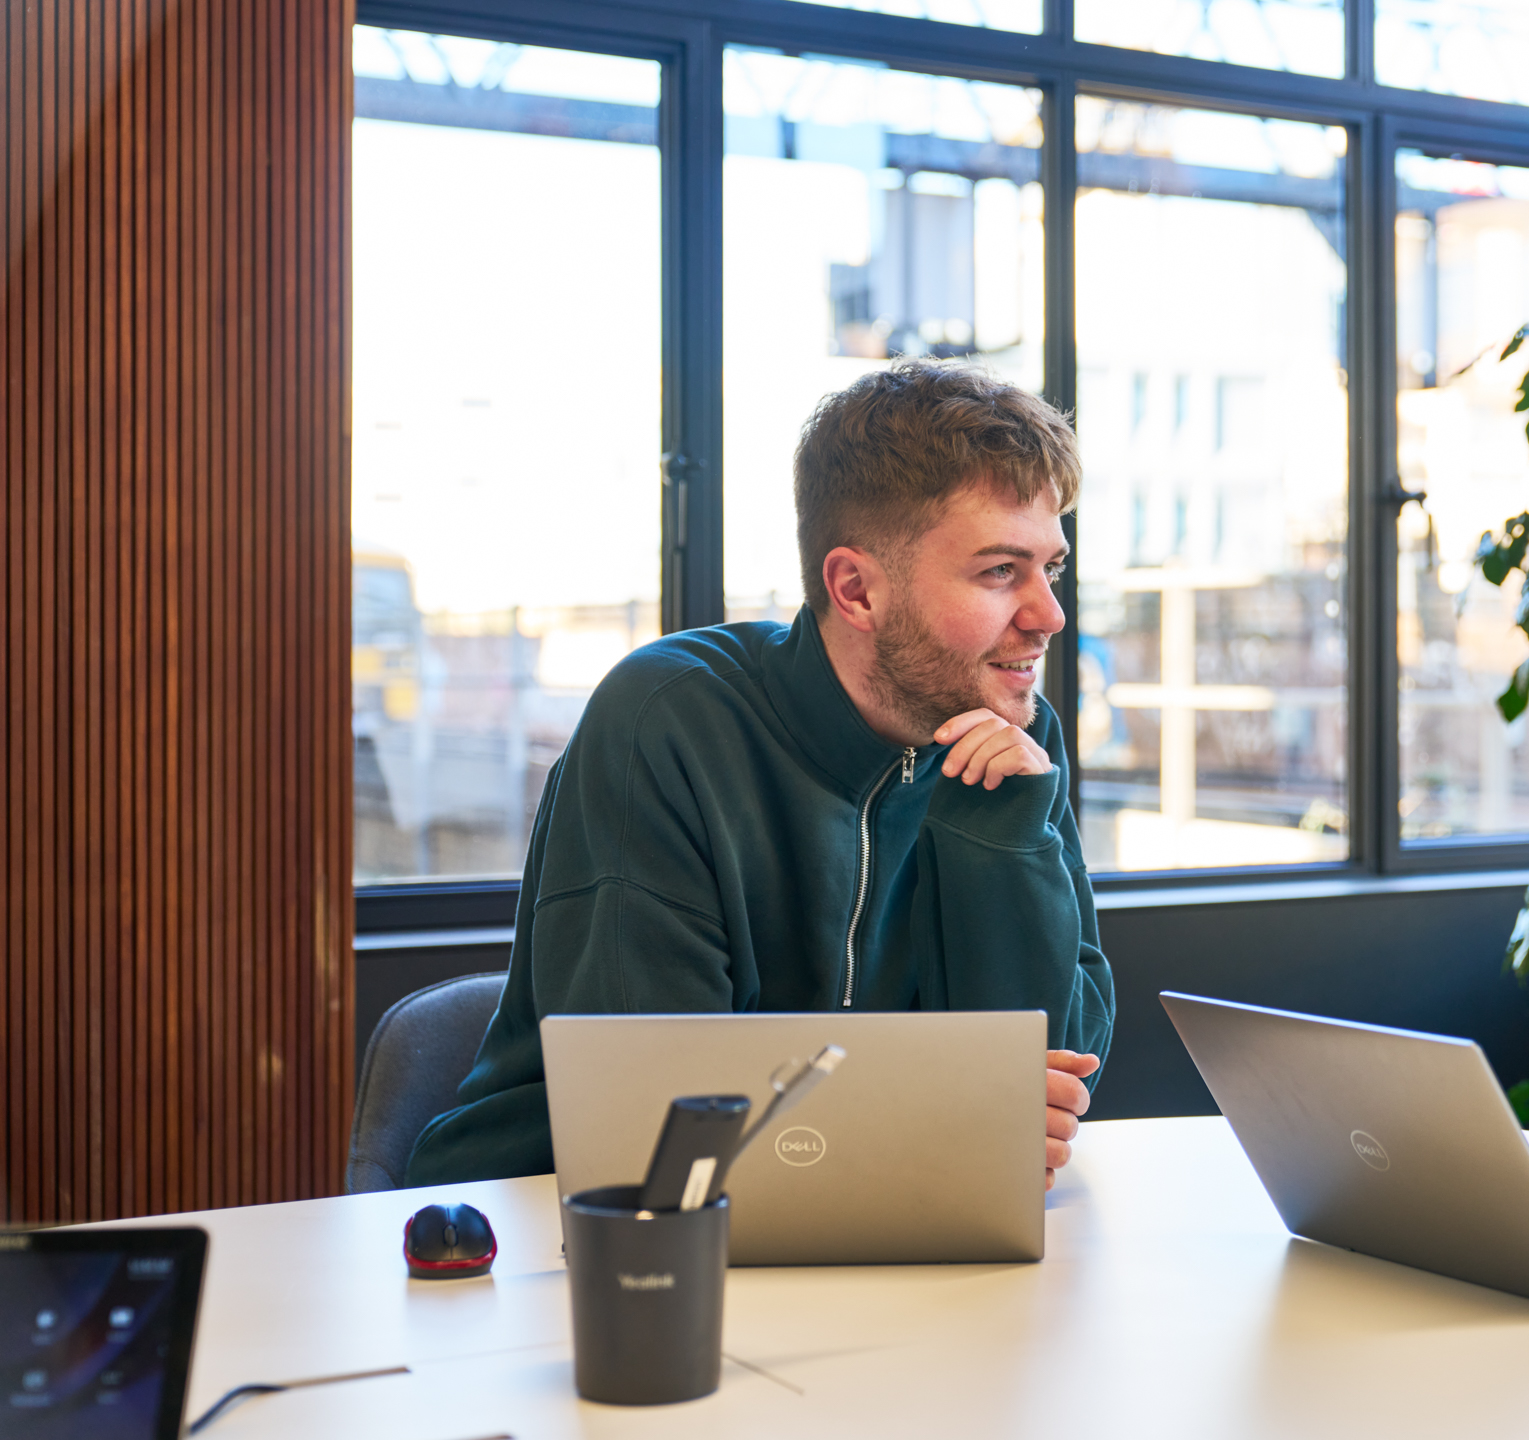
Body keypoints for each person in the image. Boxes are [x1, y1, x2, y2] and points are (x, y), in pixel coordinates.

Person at [405, 361, 1115, 1190]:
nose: (1049, 616)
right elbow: (655, 1110)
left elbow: (1048, 1099)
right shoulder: (669, 720)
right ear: (854, 589)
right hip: (570, 1234)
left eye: (1050, 569)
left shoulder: (1014, 744)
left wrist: (1005, 842)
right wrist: (940, 1117)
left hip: (891, 1223)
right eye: (1001, 572)